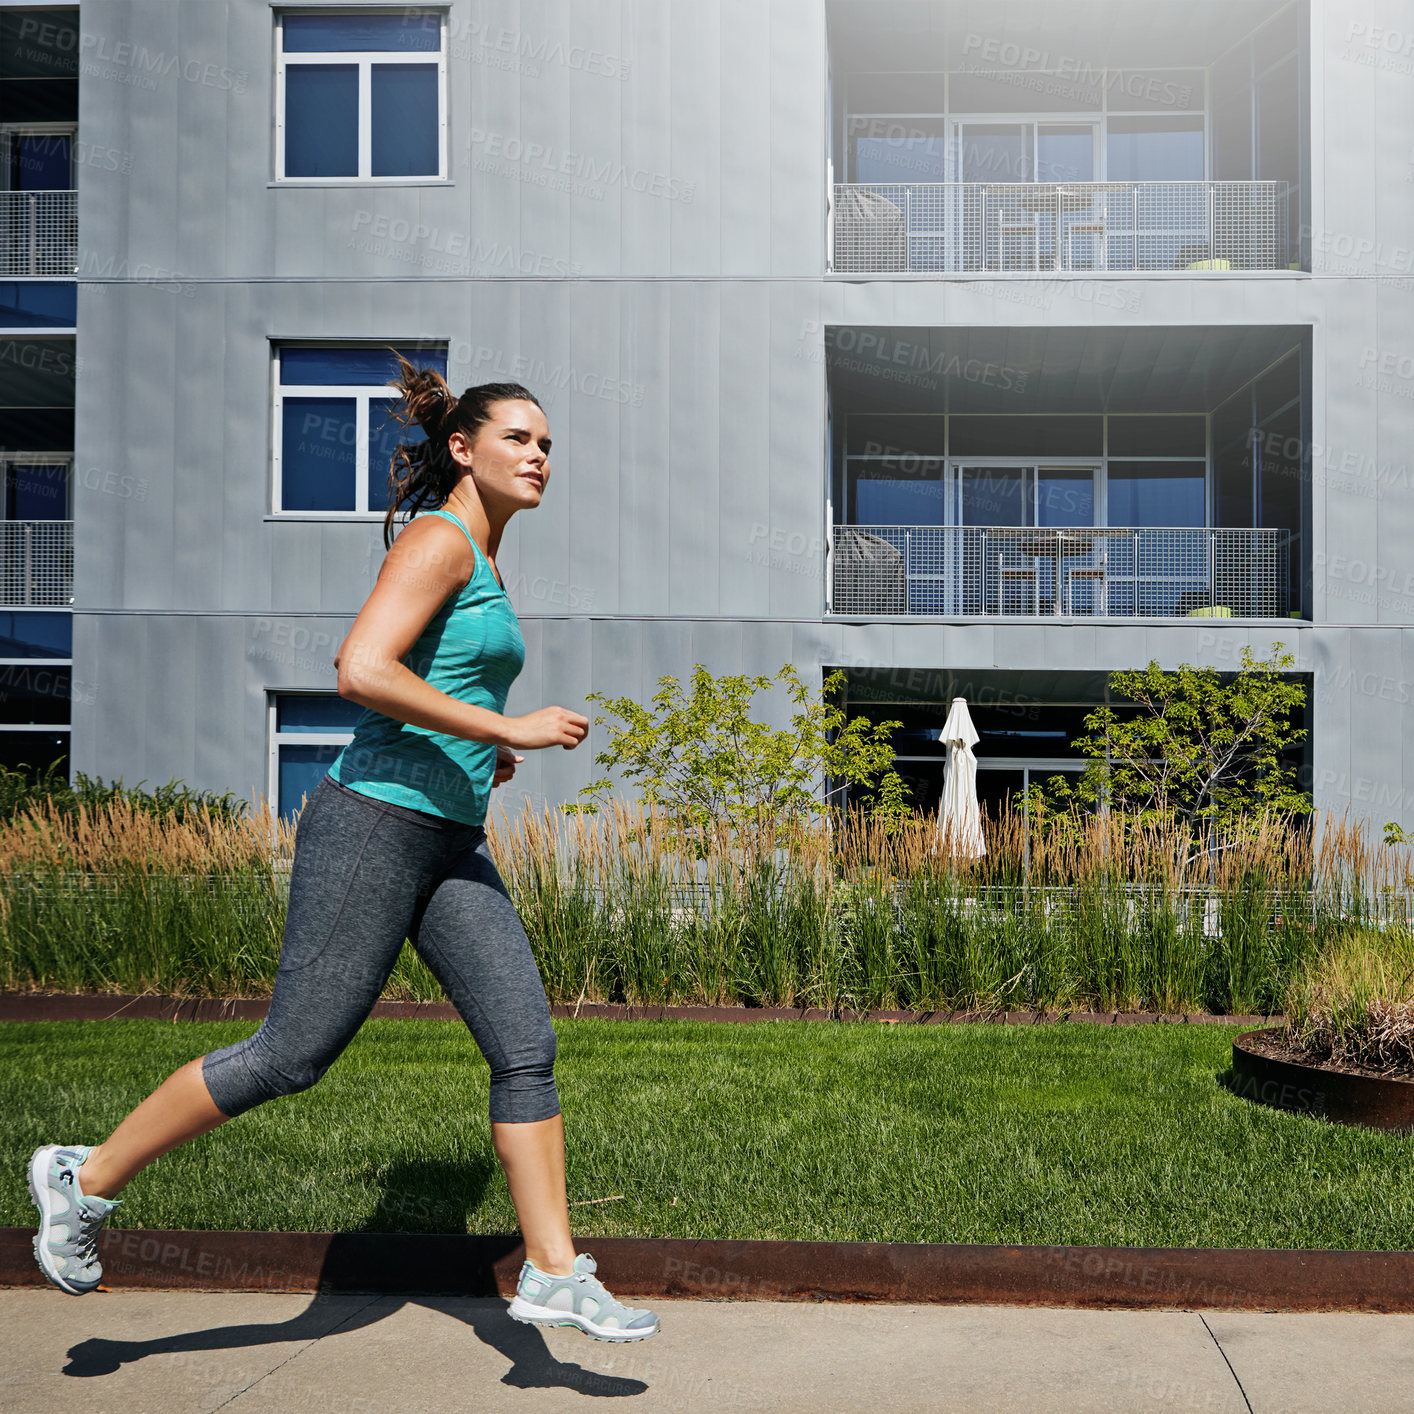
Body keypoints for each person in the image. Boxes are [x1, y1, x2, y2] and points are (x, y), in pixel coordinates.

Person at [27, 353, 659, 1343]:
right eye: (517, 439)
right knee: (291, 1053)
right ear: (462, 448)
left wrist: (472, 751)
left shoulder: (484, 559)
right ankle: (85, 1173)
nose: (539, 457)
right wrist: (507, 729)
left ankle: (549, 1272)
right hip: (372, 825)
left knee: (526, 1044)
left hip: (448, 835)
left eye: (546, 445)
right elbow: (358, 667)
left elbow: (426, 681)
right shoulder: (440, 542)